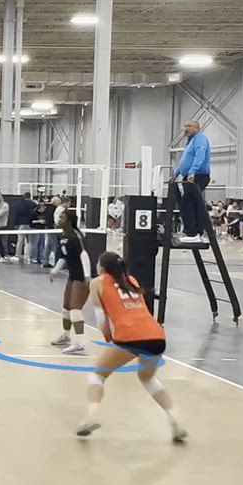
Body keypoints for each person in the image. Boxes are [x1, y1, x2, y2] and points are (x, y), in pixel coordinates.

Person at [78, 252, 187, 443]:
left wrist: (108, 338)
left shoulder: (96, 283)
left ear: (101, 267)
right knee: (148, 379)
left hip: (130, 336)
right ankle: (175, 420)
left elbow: (101, 318)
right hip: (156, 335)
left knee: (97, 375)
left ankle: (91, 417)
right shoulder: (131, 280)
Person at [48, 210, 92, 355]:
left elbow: (84, 255)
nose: (58, 219)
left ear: (68, 221)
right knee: (66, 308)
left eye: (62, 217)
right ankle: (66, 336)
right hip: (72, 275)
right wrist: (55, 270)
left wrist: (87, 276)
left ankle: (81, 344)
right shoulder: (63, 237)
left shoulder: (76, 236)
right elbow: (64, 256)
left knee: (75, 310)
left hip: (81, 276)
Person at [174, 119, 212, 244]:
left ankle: (192, 233)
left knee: (187, 203)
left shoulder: (200, 138)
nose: (186, 128)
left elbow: (200, 155)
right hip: (190, 176)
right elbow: (186, 160)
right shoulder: (190, 141)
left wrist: (192, 172)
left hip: (197, 176)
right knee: (193, 204)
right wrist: (176, 173)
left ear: (197, 128)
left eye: (189, 126)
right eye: (185, 126)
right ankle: (197, 233)